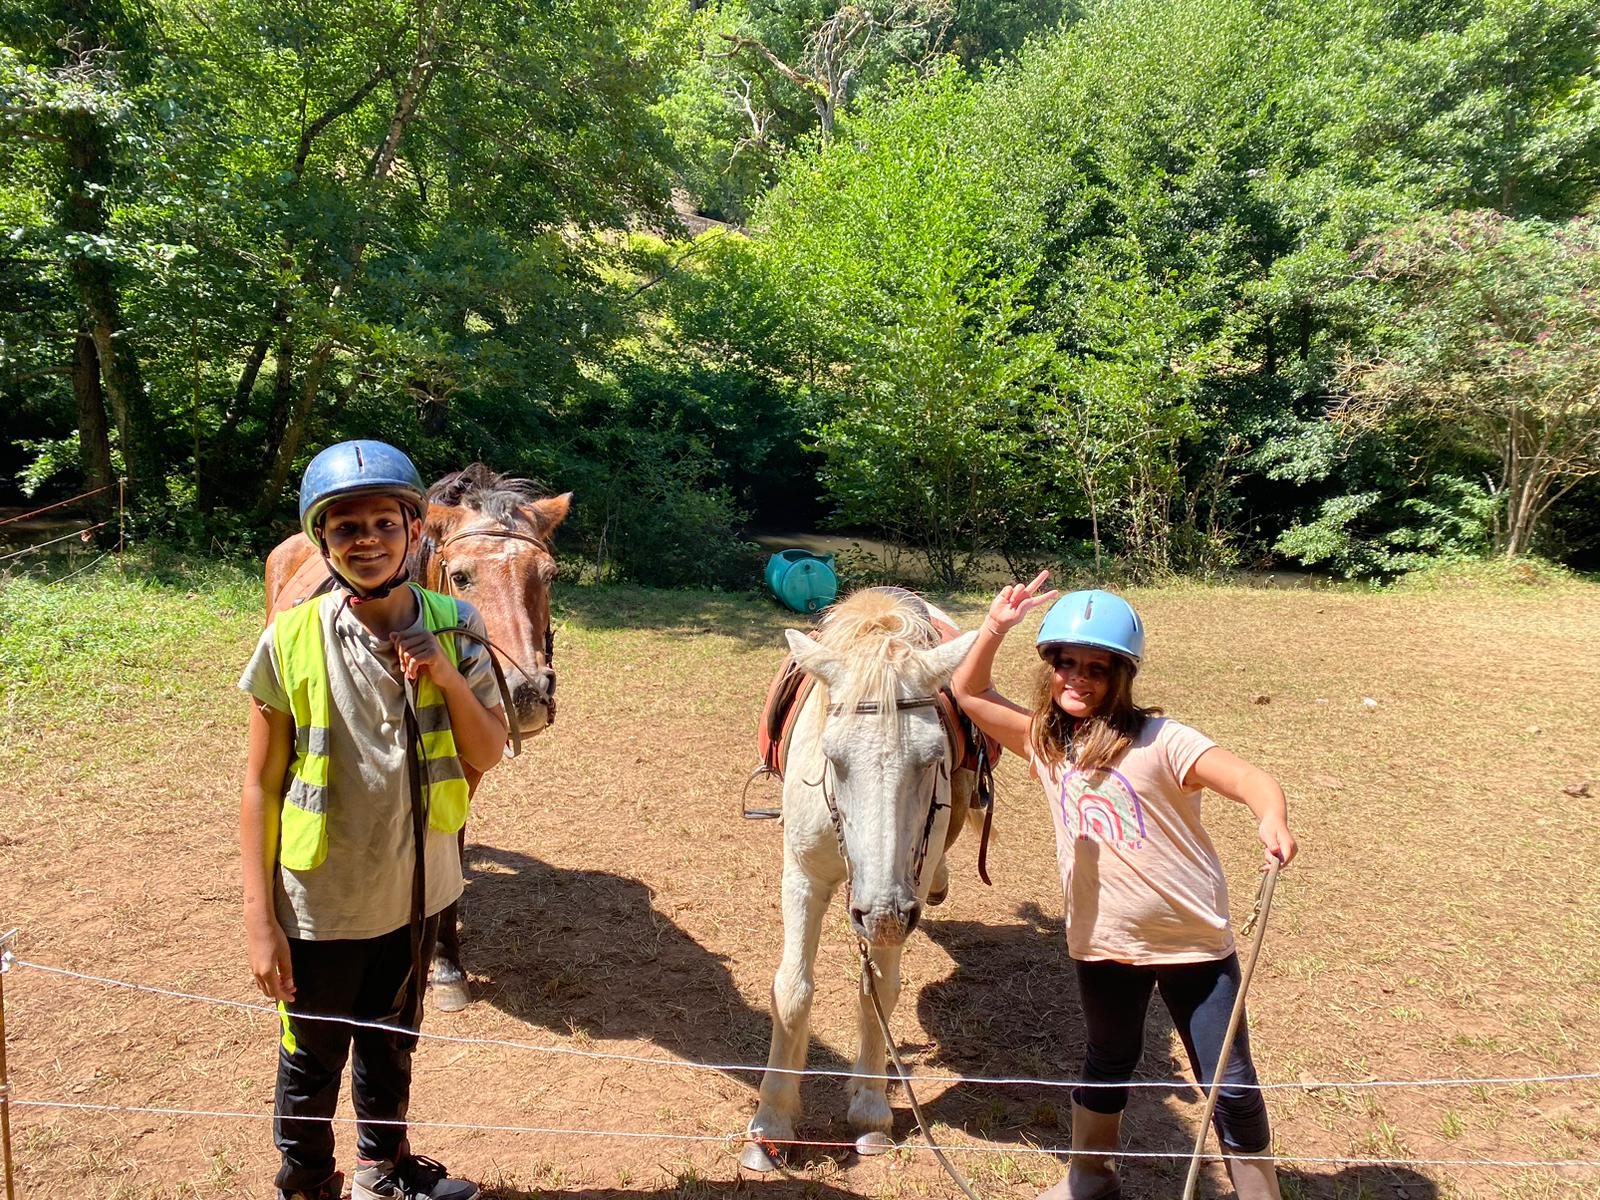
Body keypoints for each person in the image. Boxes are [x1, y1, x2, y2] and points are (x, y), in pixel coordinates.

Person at [950, 573, 1297, 1200]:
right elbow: (968, 692)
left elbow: (1249, 778)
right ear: (1049, 667)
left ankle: (1258, 1193)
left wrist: (1269, 814)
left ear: (1122, 676)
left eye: (1097, 668)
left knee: (1231, 1081)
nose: (1077, 678)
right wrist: (996, 626)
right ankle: (1090, 1177)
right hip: (1103, 941)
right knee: (1107, 1061)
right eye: (1065, 663)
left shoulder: (1163, 741)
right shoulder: (1045, 745)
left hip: (1193, 944)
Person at [240, 440, 509, 1200]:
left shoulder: (458, 625)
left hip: (420, 889)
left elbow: (488, 750)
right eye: (345, 527)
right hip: (322, 897)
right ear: (321, 541)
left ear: (414, 530)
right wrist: (261, 921)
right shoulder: (290, 639)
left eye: (384, 523)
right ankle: (307, 1180)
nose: (367, 540)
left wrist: (447, 674)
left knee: (393, 1039)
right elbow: (259, 787)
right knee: (313, 1051)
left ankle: (382, 1171)